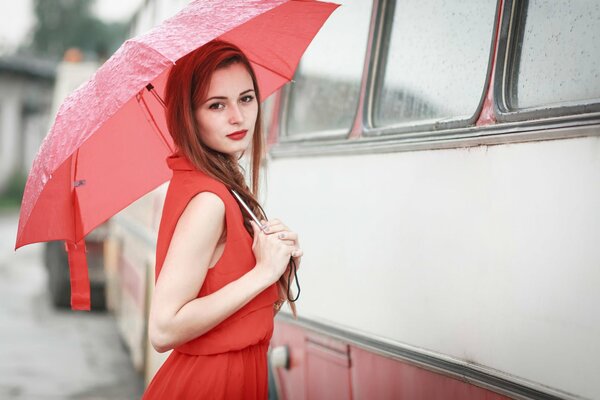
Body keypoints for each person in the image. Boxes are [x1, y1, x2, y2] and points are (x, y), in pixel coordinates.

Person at [141, 40, 302, 399]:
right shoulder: (209, 201)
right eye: (217, 105)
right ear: (189, 115)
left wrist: (278, 264)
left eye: (246, 99)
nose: (238, 117)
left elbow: (237, 317)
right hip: (211, 385)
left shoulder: (221, 187)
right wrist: (262, 273)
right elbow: (163, 329)